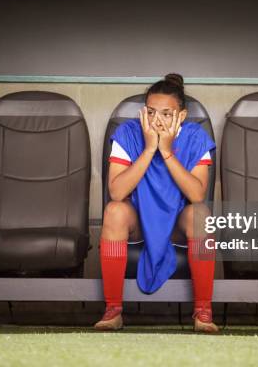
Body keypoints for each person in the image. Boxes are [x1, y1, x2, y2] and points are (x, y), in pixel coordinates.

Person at [95, 73, 218, 332]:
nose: (156, 120)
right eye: (150, 112)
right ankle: (113, 309)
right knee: (114, 211)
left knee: (201, 214)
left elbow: (197, 195)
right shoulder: (128, 133)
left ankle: (203, 312)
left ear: (181, 116)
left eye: (166, 114)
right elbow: (117, 192)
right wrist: (150, 149)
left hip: (176, 221)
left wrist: (166, 151)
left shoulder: (195, 137)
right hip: (139, 219)